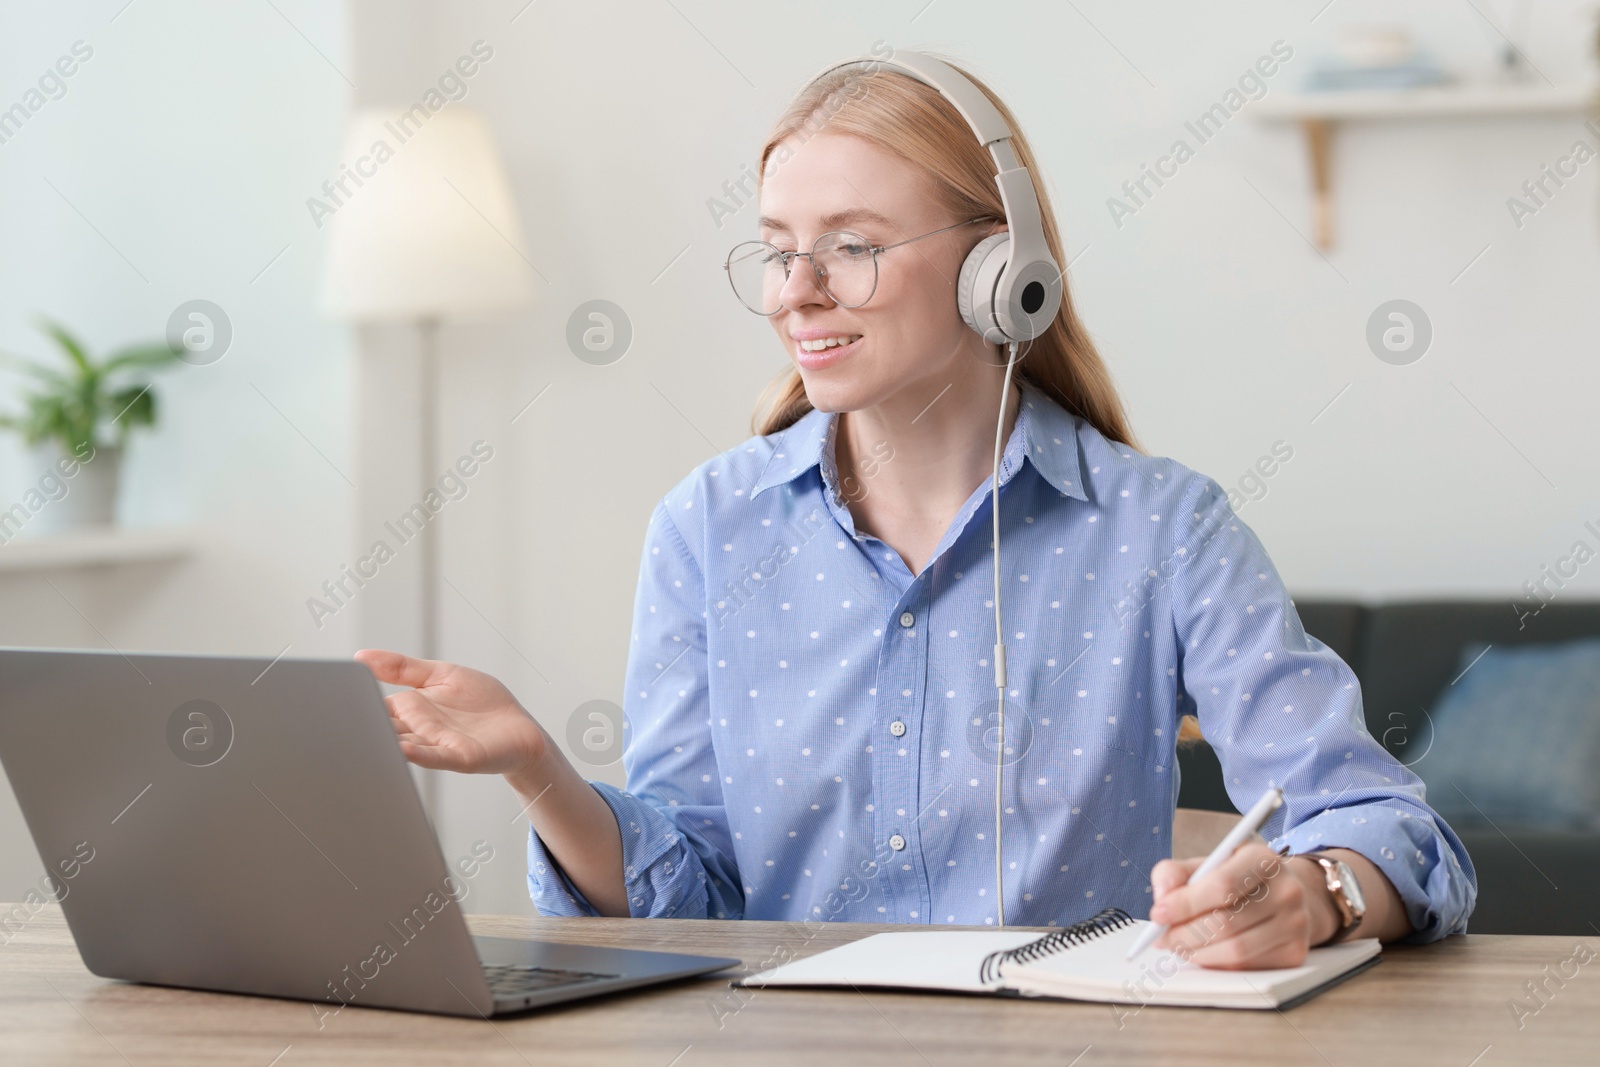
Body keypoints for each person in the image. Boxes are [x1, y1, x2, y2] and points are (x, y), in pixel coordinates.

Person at [357, 53, 1475, 969]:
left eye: (851, 244)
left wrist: (1314, 892)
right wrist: (536, 767)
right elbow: (686, 897)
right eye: (780, 248)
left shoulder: (1159, 530)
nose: (798, 288)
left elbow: (1393, 827)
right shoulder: (710, 525)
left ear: (1003, 267)